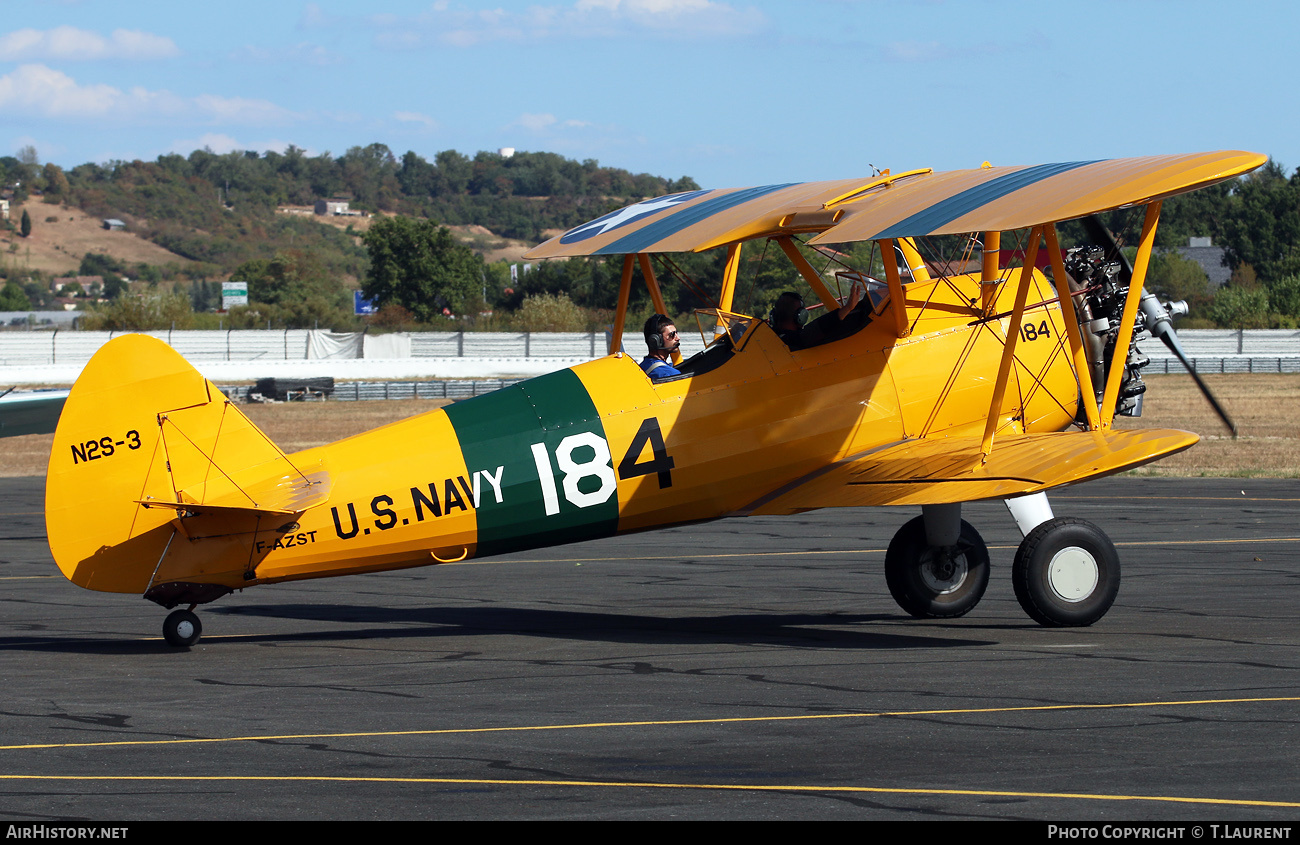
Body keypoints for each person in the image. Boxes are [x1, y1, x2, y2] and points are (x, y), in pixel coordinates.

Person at [770, 286, 862, 351]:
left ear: (773, 315)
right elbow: (818, 327)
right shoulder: (794, 340)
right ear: (801, 316)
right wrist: (847, 308)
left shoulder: (769, 336)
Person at [640, 314, 682, 380]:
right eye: (672, 335)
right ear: (656, 340)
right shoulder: (670, 374)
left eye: (677, 333)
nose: (678, 338)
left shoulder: (643, 366)